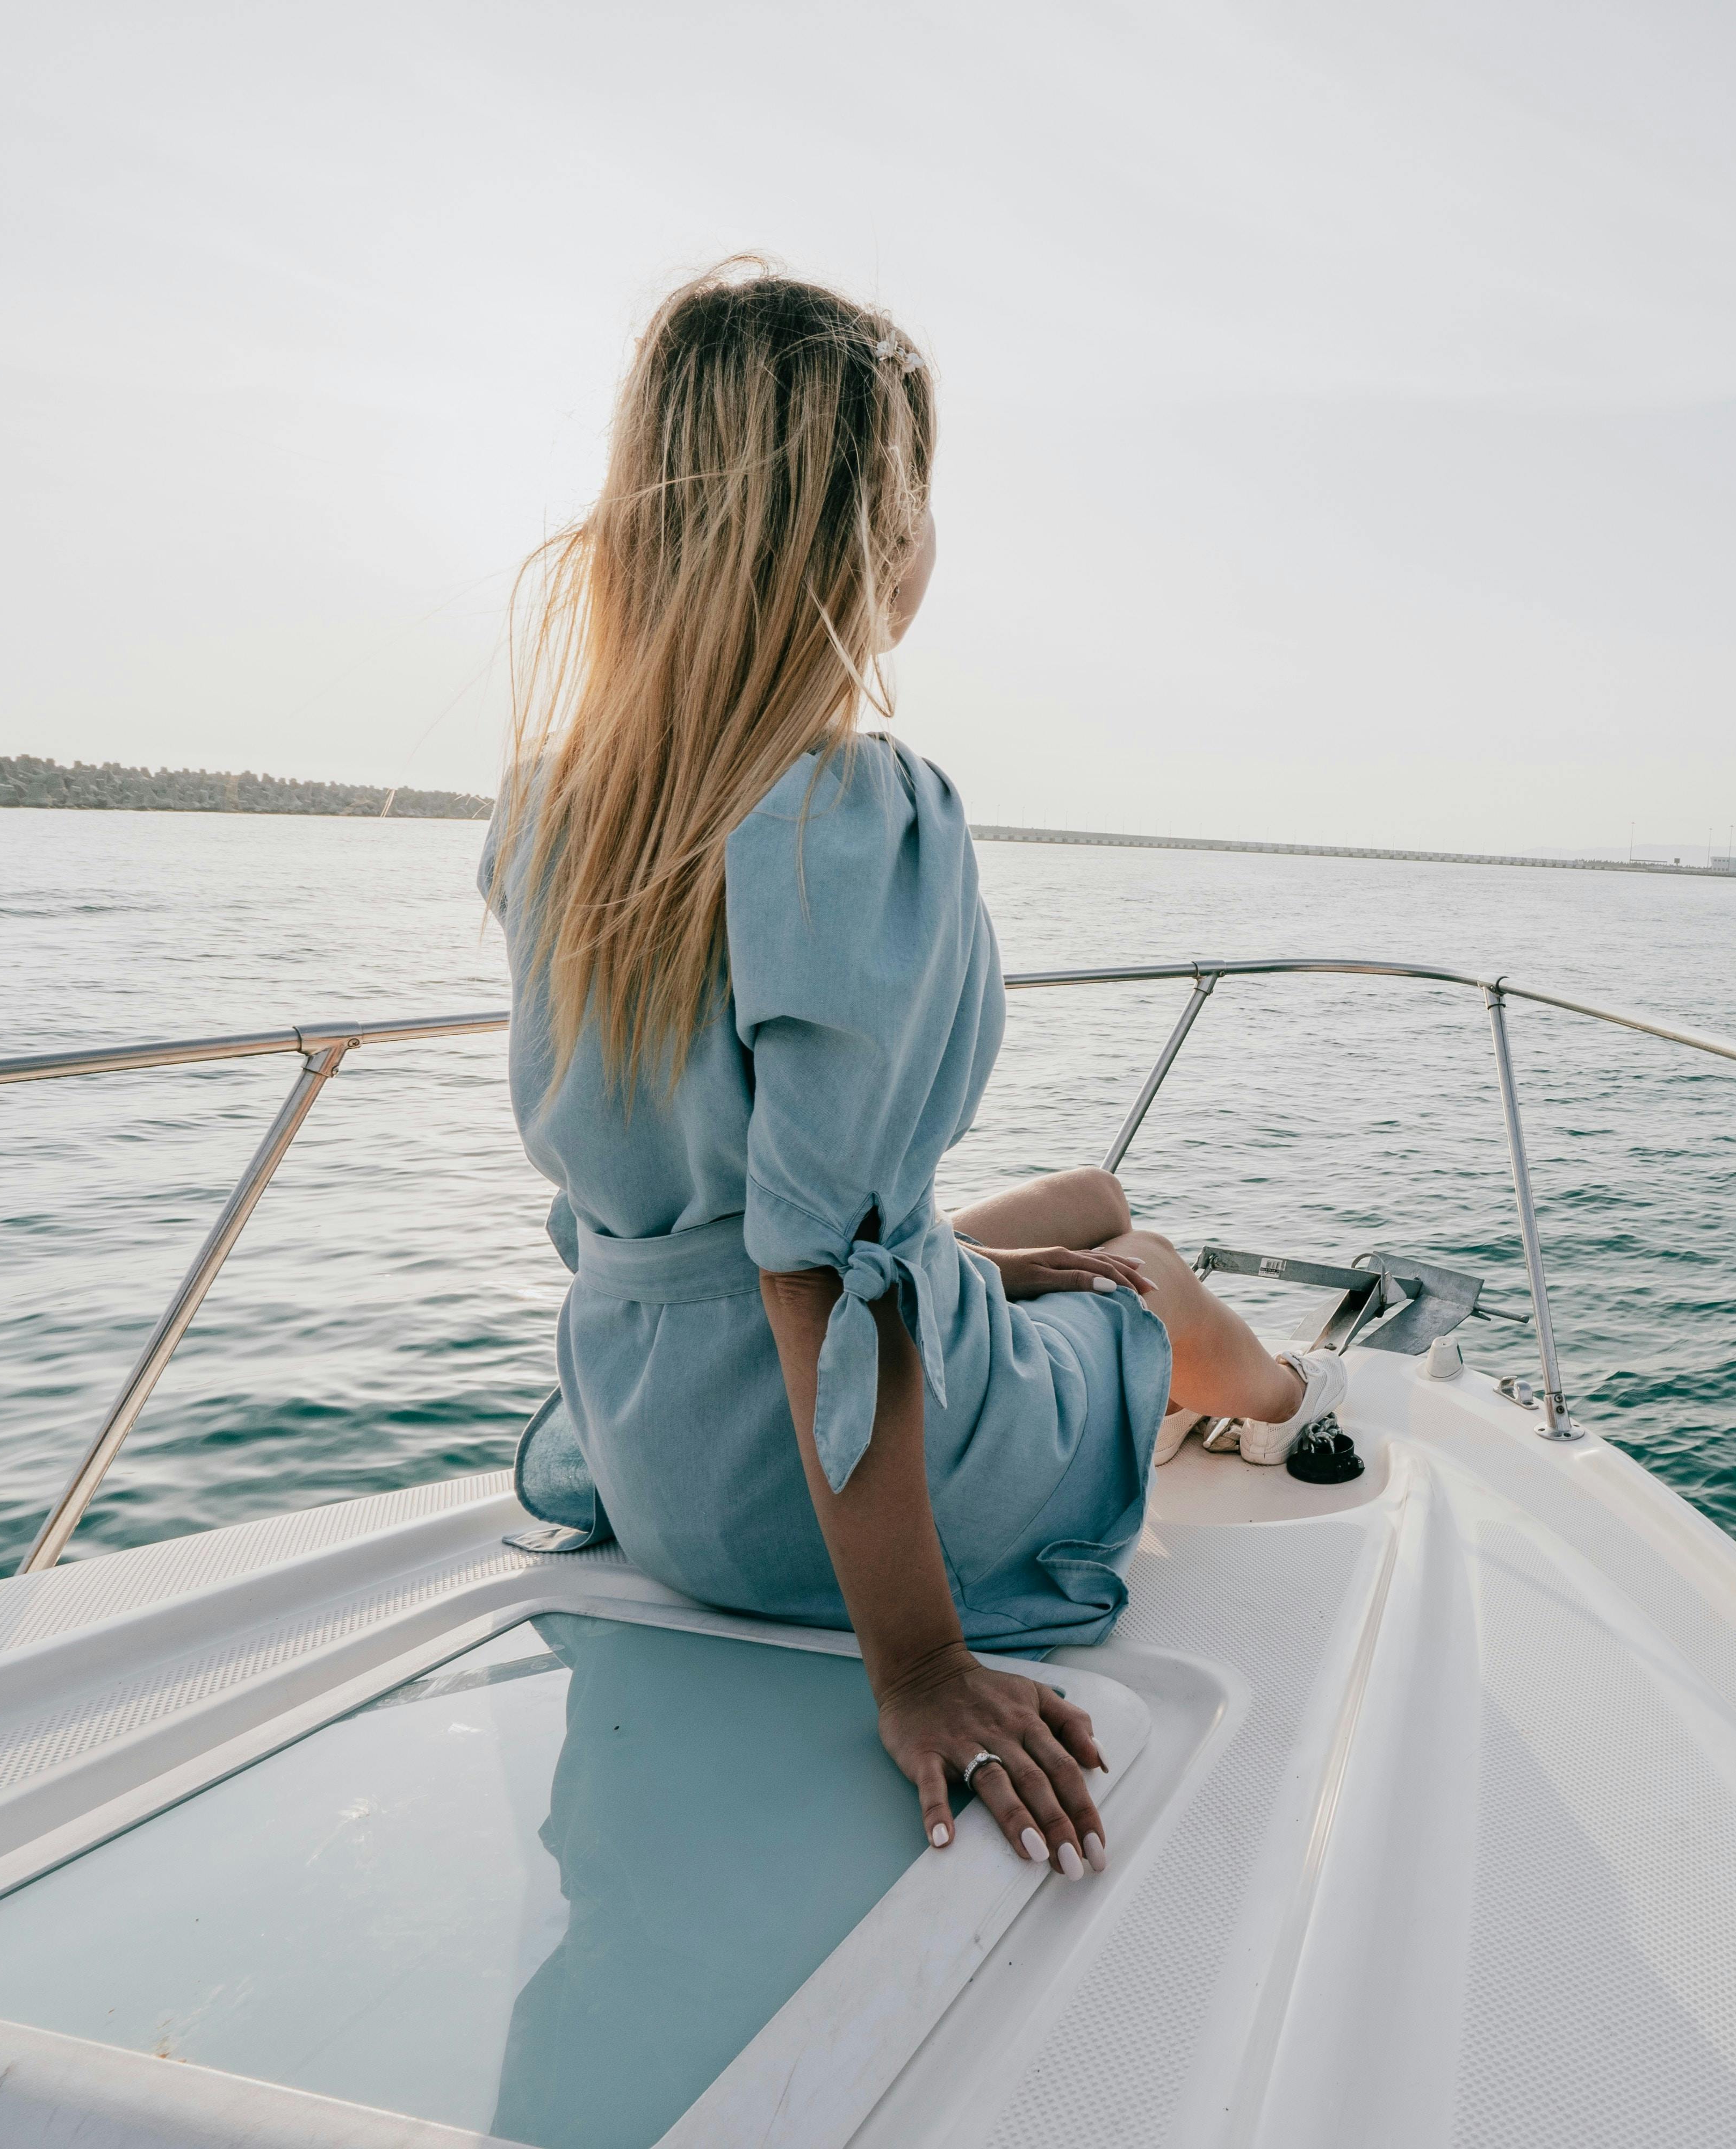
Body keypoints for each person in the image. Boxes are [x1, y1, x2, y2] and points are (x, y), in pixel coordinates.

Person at [480, 259, 1345, 1882]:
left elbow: (774, 1232)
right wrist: (923, 1667)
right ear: (882, 539)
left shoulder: (556, 815)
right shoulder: (857, 820)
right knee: (1131, 1274)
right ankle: (1297, 1399)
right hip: (814, 1506)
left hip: (652, 1447)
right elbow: (828, 1287)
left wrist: (956, 1266)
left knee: (1072, 1201)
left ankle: (1127, 1301)